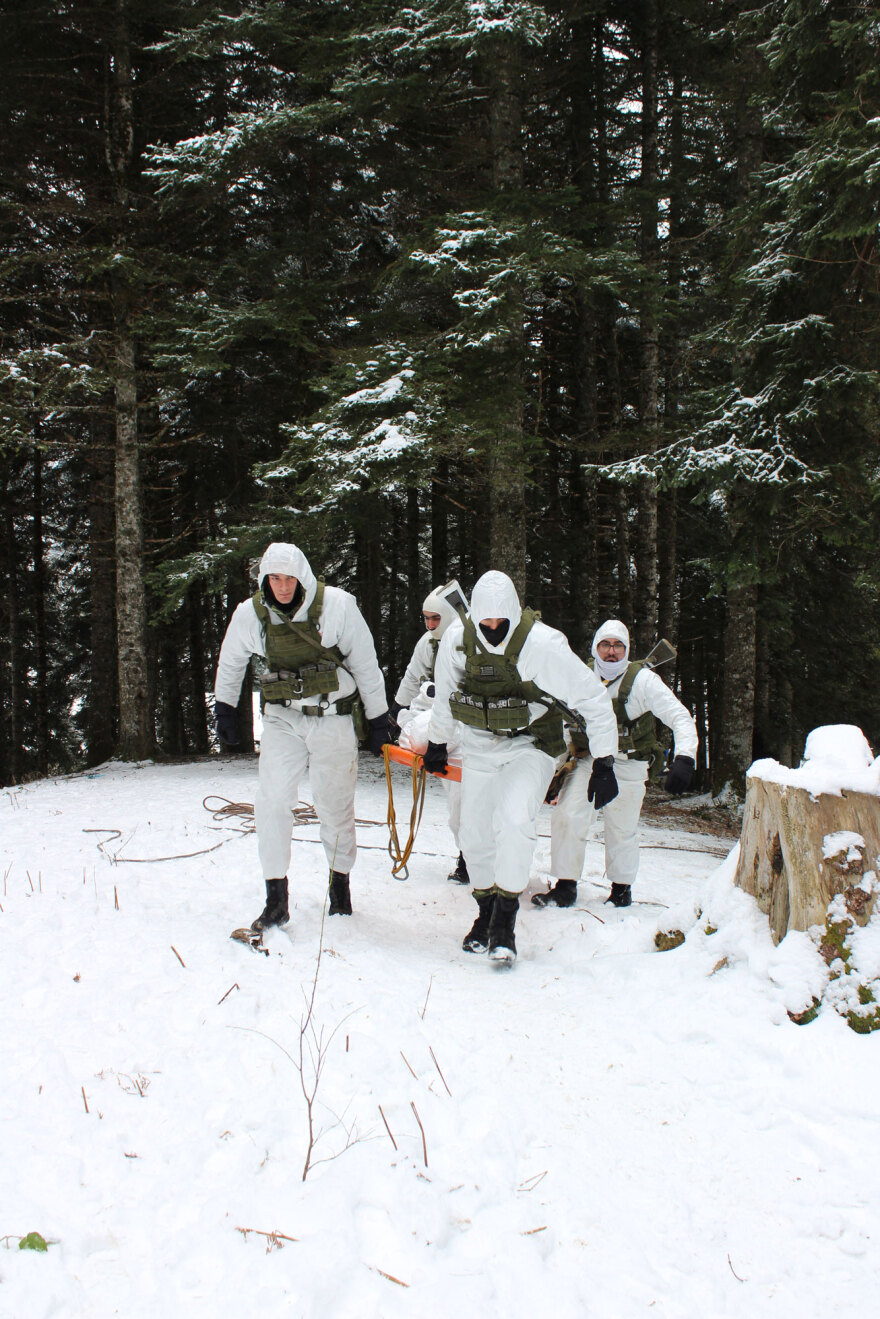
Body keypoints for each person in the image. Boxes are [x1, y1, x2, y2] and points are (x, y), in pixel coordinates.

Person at [423, 570, 619, 965]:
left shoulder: (543, 645)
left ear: (513, 615)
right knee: (474, 833)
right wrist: (437, 742)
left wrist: (605, 759)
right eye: (486, 622)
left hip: (532, 746)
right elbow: (445, 696)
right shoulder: (458, 642)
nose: (493, 629)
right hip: (479, 745)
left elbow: (593, 699)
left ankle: (505, 925)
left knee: (514, 821)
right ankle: (484, 914)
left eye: (501, 623)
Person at [213, 542, 392, 930]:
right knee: (272, 800)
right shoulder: (251, 614)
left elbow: (364, 662)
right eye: (273, 578)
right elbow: (231, 660)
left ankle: (339, 887)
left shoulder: (338, 606)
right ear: (264, 579)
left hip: (333, 717)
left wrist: (378, 718)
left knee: (334, 805)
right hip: (282, 719)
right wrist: (225, 707)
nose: (281, 586)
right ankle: (276, 898)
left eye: (288, 578)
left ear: (302, 577)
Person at [533, 619, 698, 911]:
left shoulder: (644, 682)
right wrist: (554, 770)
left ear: (627, 649)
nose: (611, 652)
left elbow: (679, 717)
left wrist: (685, 757)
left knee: (622, 826)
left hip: (629, 762)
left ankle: (621, 890)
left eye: (618, 646)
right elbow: (561, 724)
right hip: (588, 760)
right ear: (595, 648)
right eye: (605, 645)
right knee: (568, 815)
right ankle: (565, 886)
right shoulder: (578, 675)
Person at [391, 582, 470, 883]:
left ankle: (474, 861)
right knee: (456, 803)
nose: (431, 624)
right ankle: (467, 858)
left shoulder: (471, 641)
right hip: (440, 724)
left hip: (469, 725)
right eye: (427, 618)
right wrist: (393, 710)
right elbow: (413, 676)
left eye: (436, 618)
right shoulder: (428, 644)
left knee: (467, 803)